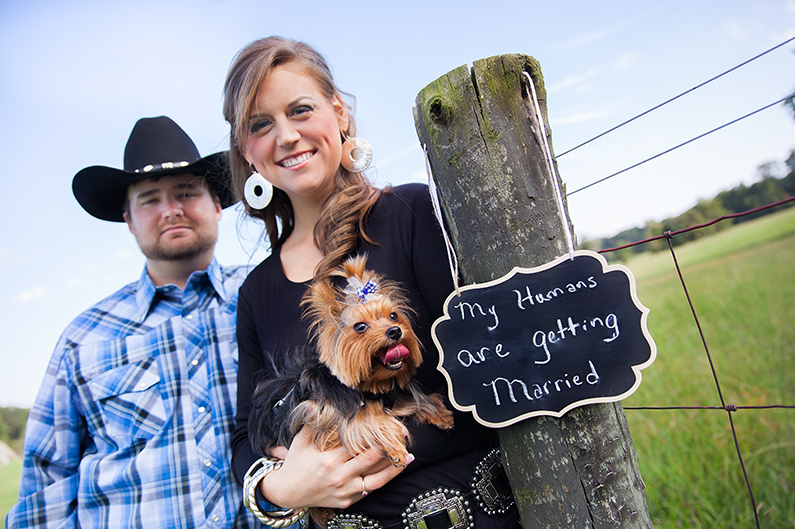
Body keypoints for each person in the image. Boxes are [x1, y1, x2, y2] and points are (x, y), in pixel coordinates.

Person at [223, 37, 518, 529]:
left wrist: (345, 456)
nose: (287, 136)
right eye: (261, 124)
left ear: (339, 113)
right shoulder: (256, 290)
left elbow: (486, 374)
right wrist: (279, 487)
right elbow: (242, 436)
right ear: (248, 153)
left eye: (300, 110)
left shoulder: (409, 213)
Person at [6, 116, 258, 528]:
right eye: (150, 199)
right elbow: (44, 492)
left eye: (186, 192)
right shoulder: (83, 338)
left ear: (216, 204)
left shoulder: (266, 296)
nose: (171, 210)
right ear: (129, 219)